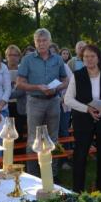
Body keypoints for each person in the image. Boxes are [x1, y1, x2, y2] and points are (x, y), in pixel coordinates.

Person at [64, 44, 101, 193]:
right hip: (83, 120)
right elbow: (68, 99)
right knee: (80, 156)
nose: (89, 59)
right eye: (86, 57)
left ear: (98, 58)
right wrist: (87, 109)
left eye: (92, 56)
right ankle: (77, 191)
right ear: (82, 59)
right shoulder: (77, 75)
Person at [16, 28, 69, 175]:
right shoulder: (27, 60)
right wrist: (37, 87)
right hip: (35, 101)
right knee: (33, 139)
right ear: (35, 42)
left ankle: (52, 174)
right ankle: (32, 176)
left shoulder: (58, 59)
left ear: (49, 41)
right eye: (38, 41)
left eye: (44, 40)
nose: (41, 43)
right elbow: (19, 83)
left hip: (53, 101)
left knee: (53, 138)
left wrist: (57, 88)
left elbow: (65, 80)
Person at [5, 45, 28, 138]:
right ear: (6, 56)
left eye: (15, 55)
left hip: (20, 106)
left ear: (19, 57)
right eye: (10, 55)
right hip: (4, 106)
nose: (12, 57)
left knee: (19, 134)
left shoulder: (23, 70)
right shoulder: (1, 70)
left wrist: (6, 95)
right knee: (6, 135)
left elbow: (24, 89)